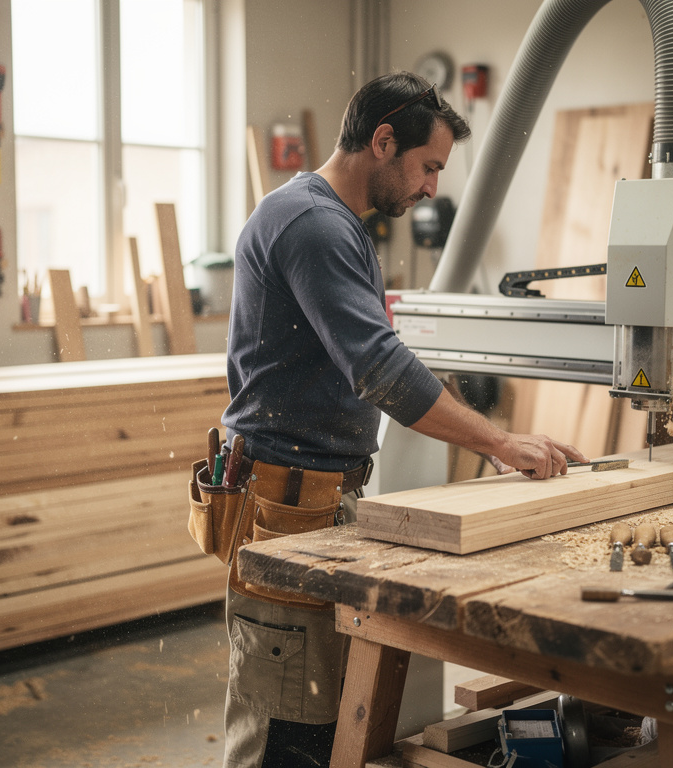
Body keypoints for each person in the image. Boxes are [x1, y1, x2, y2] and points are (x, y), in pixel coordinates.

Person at [216, 71, 586, 768]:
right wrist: (502, 443)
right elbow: (379, 369)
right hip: (287, 505)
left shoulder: (328, 221)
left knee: (315, 723)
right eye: (428, 166)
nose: (431, 189)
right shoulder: (314, 224)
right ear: (383, 142)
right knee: (285, 732)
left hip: (313, 497)